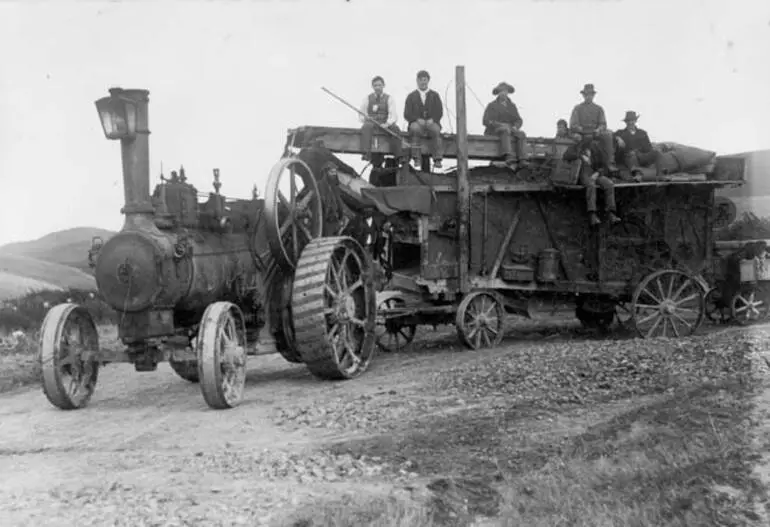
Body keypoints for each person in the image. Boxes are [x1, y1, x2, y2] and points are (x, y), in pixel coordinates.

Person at [563, 136, 621, 226]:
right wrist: (581, 156)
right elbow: (566, 155)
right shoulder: (576, 147)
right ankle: (592, 214)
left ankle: (611, 213)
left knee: (609, 184)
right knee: (591, 185)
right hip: (582, 173)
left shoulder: (596, 150)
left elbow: (604, 165)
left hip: (595, 173)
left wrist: (597, 173)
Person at [569, 83, 618, 173]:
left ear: (593, 95)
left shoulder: (599, 109)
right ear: (583, 95)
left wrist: (598, 129)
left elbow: (603, 124)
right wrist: (580, 129)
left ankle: (610, 162)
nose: (588, 96)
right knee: (581, 138)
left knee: (608, 134)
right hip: (583, 132)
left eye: (590, 94)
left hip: (595, 132)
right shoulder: (577, 108)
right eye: (586, 94)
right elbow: (573, 124)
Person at [359, 76, 404, 168]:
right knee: (366, 127)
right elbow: (361, 114)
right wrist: (365, 118)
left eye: (379, 85)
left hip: (384, 122)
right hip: (372, 122)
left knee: (395, 129)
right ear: (372, 87)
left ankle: (399, 155)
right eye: (375, 85)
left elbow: (393, 115)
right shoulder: (367, 98)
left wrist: (387, 124)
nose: (377, 87)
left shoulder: (389, 98)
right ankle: (366, 153)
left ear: (383, 86)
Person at [482, 81, 528, 169]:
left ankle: (523, 159)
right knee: (504, 129)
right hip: (494, 131)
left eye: (505, 91)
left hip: (510, 129)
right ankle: (508, 156)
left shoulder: (512, 106)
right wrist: (498, 124)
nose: (503, 93)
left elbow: (518, 119)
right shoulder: (491, 105)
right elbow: (485, 121)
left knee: (521, 134)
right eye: (501, 91)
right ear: (498, 93)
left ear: (508, 93)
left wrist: (515, 126)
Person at [404, 70, 444, 169]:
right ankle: (416, 157)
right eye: (420, 80)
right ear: (417, 81)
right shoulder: (411, 96)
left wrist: (433, 119)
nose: (423, 82)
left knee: (436, 130)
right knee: (415, 129)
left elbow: (439, 111)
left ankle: (437, 159)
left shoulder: (434, 95)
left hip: (431, 123)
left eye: (425, 80)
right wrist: (416, 119)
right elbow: (407, 114)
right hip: (417, 123)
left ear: (428, 81)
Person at [614, 111, 661, 177]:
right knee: (630, 156)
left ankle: (660, 175)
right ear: (626, 122)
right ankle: (637, 175)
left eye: (632, 120)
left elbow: (648, 148)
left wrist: (643, 152)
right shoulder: (620, 133)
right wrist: (618, 138)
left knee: (657, 153)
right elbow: (611, 135)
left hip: (642, 156)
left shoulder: (642, 133)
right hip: (629, 156)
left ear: (635, 121)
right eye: (628, 121)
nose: (630, 123)